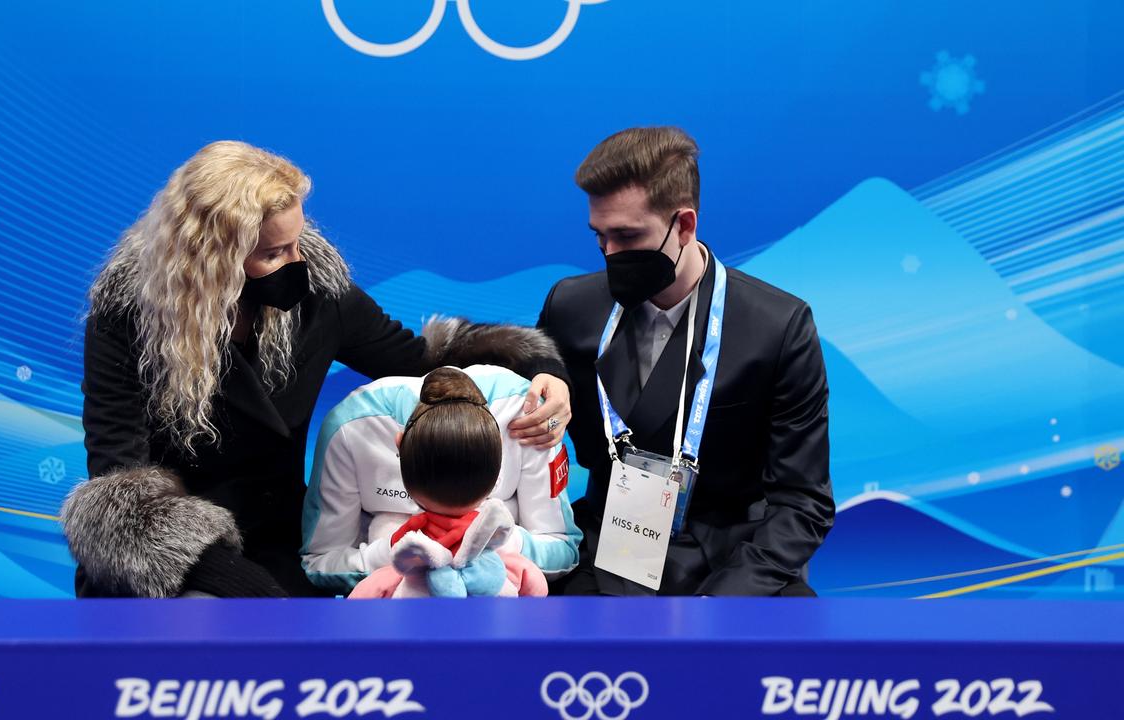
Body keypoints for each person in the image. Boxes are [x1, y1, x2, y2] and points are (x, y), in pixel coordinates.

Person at [60, 140, 572, 598]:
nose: (296, 262)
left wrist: (541, 365)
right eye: (272, 253)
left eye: (297, 243)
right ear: (209, 260)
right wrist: (244, 589)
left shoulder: (318, 294)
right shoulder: (127, 318)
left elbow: (422, 360)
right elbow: (120, 490)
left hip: (277, 541)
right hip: (167, 563)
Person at [538, 127, 834, 596]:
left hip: (733, 557)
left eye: (628, 236)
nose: (611, 254)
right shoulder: (571, 307)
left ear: (685, 225)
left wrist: (723, 603)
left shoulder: (779, 327)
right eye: (600, 237)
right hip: (602, 548)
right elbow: (511, 409)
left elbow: (802, 502)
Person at [301, 364, 581, 594]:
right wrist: (398, 551)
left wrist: (492, 539)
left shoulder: (529, 417)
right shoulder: (350, 429)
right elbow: (320, 561)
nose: (450, 524)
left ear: (498, 442)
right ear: (399, 447)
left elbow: (562, 547)